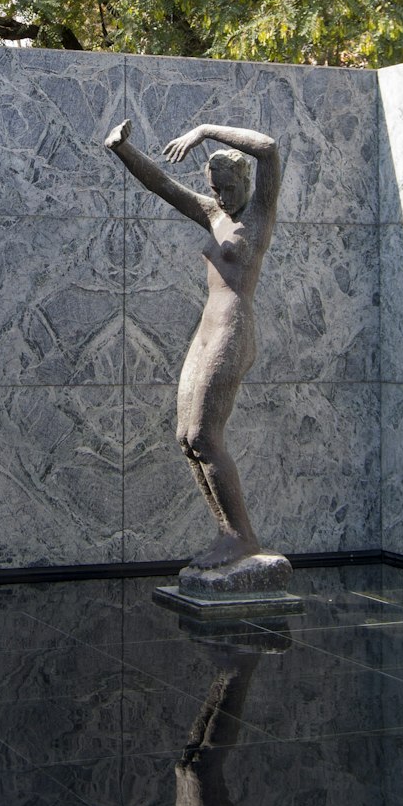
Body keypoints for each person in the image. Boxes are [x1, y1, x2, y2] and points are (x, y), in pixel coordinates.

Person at [104, 118, 280, 568]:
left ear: (244, 182)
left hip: (233, 330)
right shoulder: (213, 214)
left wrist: (204, 130)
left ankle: (242, 537)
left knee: (205, 433)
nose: (221, 196)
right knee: (186, 437)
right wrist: (123, 150)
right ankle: (228, 532)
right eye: (215, 188)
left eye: (228, 187)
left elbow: (268, 148)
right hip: (205, 332)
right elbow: (162, 183)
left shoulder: (260, 214)